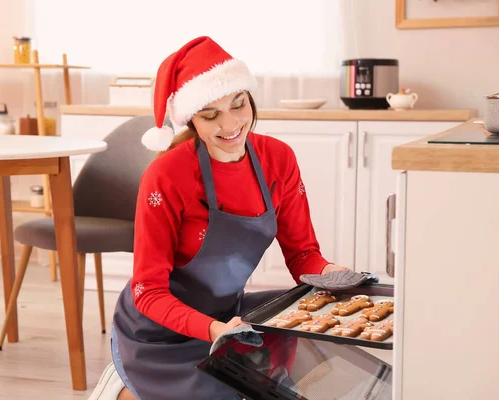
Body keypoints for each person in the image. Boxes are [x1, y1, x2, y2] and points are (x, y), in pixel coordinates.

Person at [89, 36, 350, 400]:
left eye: (238, 105)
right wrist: (214, 331)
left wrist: (334, 276)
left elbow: (303, 254)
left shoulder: (279, 159)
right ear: (192, 120)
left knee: (304, 330)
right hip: (158, 331)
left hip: (229, 317)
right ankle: (122, 383)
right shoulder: (167, 176)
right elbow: (148, 291)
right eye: (211, 115)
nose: (231, 125)